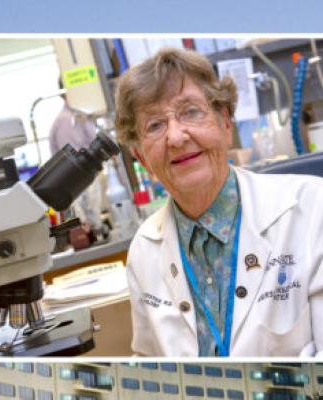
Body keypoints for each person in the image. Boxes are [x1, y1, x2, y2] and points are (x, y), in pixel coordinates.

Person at [114, 47, 323, 356]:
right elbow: (150, 364)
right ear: (142, 158)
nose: (176, 137)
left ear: (226, 123)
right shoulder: (144, 250)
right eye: (155, 125)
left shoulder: (312, 208)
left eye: (190, 112)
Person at [49, 92, 104, 238]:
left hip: (83, 179)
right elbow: (69, 171)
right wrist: (83, 220)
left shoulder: (80, 116)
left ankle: (91, 229)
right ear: (65, 93)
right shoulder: (65, 122)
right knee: (85, 222)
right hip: (80, 181)